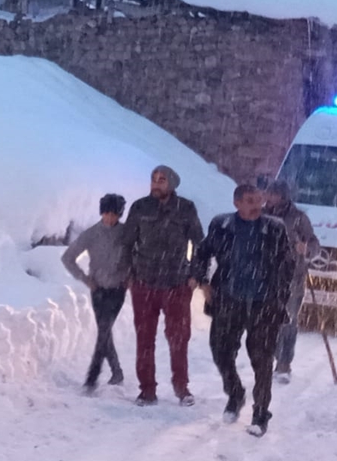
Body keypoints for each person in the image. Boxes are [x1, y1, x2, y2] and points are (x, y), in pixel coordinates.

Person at [197, 182, 294, 436]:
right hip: (229, 300)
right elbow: (202, 253)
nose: (256, 206)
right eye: (249, 201)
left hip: (264, 303)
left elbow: (287, 265)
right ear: (236, 203)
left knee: (261, 360)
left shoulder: (274, 229)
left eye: (258, 201)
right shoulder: (222, 225)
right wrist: (203, 282)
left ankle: (261, 413)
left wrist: (279, 298)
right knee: (220, 350)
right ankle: (235, 392)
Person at [124, 165, 205, 407]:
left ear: (171, 184)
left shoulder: (185, 208)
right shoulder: (139, 207)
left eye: (162, 180)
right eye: (153, 179)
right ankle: (147, 390)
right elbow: (127, 243)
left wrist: (195, 275)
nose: (156, 184)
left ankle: (182, 388)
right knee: (144, 338)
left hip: (176, 283)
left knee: (179, 338)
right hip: (144, 282)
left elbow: (199, 243)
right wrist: (129, 274)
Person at [62, 193, 131, 392]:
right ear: (102, 213)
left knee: (104, 331)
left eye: (114, 215)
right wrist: (85, 279)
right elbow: (68, 258)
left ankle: (92, 378)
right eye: (107, 214)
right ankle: (115, 372)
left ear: (119, 214)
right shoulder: (91, 234)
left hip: (118, 289)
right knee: (104, 331)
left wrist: (130, 276)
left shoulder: (126, 233)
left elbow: (136, 256)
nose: (110, 218)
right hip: (98, 289)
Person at [264, 178, 320, 383]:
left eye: (273, 194)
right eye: (268, 194)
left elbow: (314, 244)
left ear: (283, 197)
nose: (269, 198)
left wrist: (306, 249)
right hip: (266, 276)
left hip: (292, 276)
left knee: (287, 321)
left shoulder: (298, 218)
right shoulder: (260, 215)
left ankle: (284, 363)